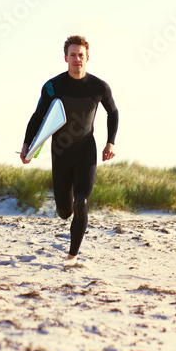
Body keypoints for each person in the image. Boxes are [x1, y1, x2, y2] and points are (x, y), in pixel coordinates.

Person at [20, 35, 119, 267]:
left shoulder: (99, 87)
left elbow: (113, 112)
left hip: (86, 151)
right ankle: (69, 208)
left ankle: (72, 257)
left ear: (87, 58)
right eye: (73, 55)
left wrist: (110, 142)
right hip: (61, 153)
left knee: (82, 201)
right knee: (65, 211)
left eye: (81, 55)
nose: (77, 59)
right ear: (66, 58)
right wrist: (27, 144)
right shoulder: (54, 86)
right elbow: (38, 116)